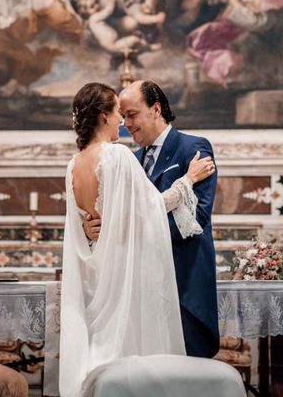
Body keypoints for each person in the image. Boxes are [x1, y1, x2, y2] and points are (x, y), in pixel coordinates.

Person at [60, 82, 216, 396]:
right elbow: (150, 210)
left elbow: (84, 227)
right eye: (120, 114)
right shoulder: (118, 156)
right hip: (125, 280)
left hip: (102, 278)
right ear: (104, 116)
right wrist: (187, 180)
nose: (124, 122)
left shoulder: (73, 165)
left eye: (130, 114)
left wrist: (95, 231)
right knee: (138, 370)